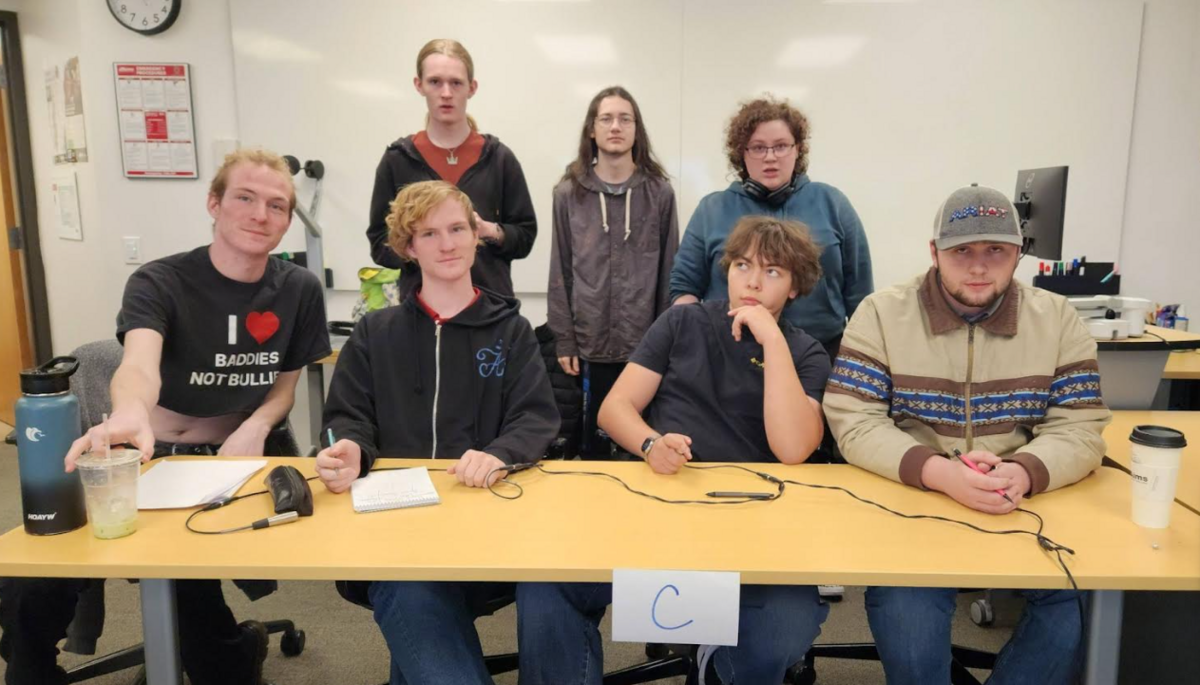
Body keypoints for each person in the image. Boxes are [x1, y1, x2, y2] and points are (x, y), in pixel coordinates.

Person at [0, 149, 331, 685]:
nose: (259, 214)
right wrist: (130, 412)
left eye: (276, 205)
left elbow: (284, 389)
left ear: (288, 220)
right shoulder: (162, 280)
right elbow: (138, 365)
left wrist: (255, 426)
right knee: (38, 575)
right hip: (141, 452)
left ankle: (227, 653)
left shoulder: (298, 290)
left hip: (220, 463)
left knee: (186, 584)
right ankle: (33, 665)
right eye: (244, 198)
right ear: (214, 204)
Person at [518, 216, 831, 685]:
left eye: (772, 272)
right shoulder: (683, 322)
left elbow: (792, 448)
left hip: (757, 523)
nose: (752, 281)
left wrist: (772, 342)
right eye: (743, 265)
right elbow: (614, 408)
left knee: (786, 624)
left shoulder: (806, 354)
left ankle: (715, 669)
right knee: (548, 582)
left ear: (793, 288)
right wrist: (649, 444)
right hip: (662, 507)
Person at [823, 184, 1111, 685]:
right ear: (934, 253)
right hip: (913, 501)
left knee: (1074, 601)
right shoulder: (881, 314)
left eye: (995, 251)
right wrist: (940, 473)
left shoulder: (1058, 320)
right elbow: (854, 419)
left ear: (1018, 255)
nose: (978, 267)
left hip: (1020, 502)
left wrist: (1024, 470)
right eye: (962, 252)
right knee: (903, 608)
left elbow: (1080, 423)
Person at [317, 180, 558, 685]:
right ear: (408, 247)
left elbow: (535, 418)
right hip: (392, 531)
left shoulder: (510, 330)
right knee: (410, 589)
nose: (447, 244)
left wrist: (499, 453)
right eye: (429, 233)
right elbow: (347, 416)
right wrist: (349, 450)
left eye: (457, 229)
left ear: (476, 236)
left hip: (483, 524)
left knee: (418, 609)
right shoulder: (374, 332)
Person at [669, 95, 871, 360]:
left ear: (797, 149)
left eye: (781, 146)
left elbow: (860, 294)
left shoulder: (833, 203)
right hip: (730, 355)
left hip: (820, 354)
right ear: (742, 153)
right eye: (758, 148)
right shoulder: (712, 209)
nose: (770, 157)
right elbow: (684, 288)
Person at [547, 85, 679, 458]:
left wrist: (664, 343)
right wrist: (565, 339)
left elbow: (671, 272)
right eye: (606, 118)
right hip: (588, 346)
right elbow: (560, 270)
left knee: (640, 445)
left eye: (625, 118)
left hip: (644, 346)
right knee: (593, 447)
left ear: (637, 130)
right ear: (592, 129)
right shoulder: (569, 193)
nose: (615, 126)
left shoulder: (659, 193)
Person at [365, 38, 537, 299]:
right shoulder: (397, 160)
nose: (446, 93)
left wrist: (489, 231)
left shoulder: (499, 158)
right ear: (419, 85)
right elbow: (380, 242)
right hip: (422, 313)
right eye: (435, 82)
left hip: (492, 309)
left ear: (472, 88)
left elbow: (524, 236)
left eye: (456, 83)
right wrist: (421, 247)